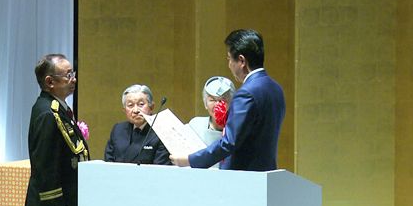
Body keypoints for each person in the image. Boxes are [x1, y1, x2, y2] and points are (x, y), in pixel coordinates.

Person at [170, 29, 285, 171]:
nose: (229, 64)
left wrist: (189, 160)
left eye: (230, 59)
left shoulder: (246, 93)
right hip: (265, 174)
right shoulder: (276, 89)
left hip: (241, 177)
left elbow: (229, 143)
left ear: (242, 61)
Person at [25, 54, 89, 206]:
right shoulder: (47, 113)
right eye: (68, 75)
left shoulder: (59, 108)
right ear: (50, 81)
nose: (74, 79)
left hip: (66, 205)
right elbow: (45, 164)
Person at [104, 84, 171, 165]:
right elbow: (108, 162)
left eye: (141, 104)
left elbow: (160, 169)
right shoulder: (118, 130)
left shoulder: (162, 132)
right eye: (130, 105)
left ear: (151, 107)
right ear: (124, 110)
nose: (136, 110)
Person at [189, 76, 235, 145]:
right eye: (212, 100)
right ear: (205, 104)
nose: (217, 104)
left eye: (222, 100)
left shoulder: (238, 129)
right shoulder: (195, 125)